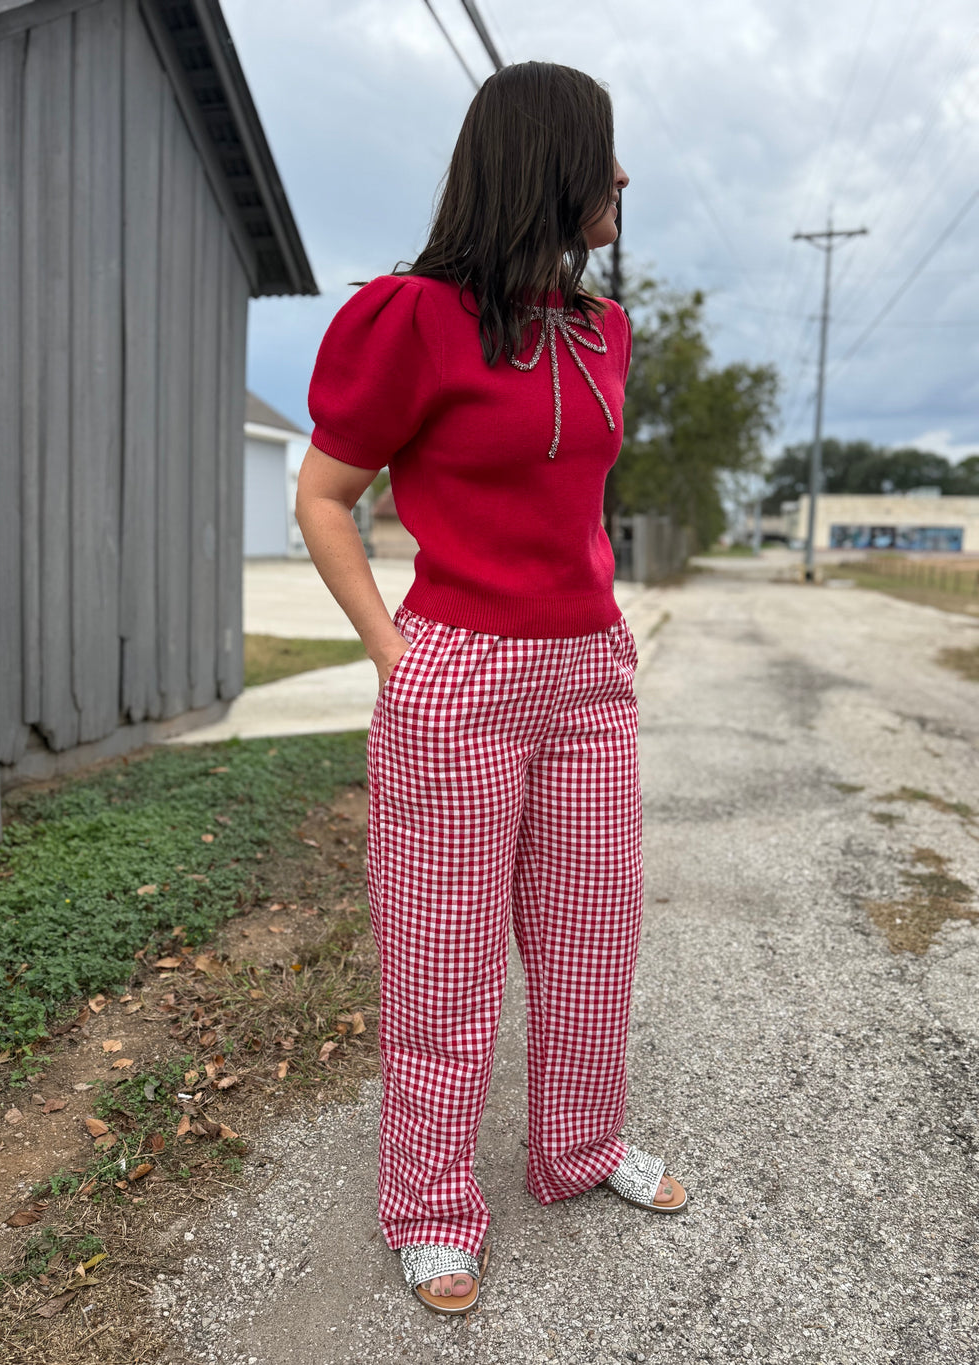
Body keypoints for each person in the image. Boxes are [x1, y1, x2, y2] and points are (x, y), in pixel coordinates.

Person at [296, 60, 687, 1319]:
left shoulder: (602, 331)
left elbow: (567, 503)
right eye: (601, 154)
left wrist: (593, 629)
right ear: (545, 164)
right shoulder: (406, 319)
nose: (621, 177)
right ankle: (428, 1205)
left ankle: (575, 1148)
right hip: (457, 668)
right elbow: (322, 497)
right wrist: (391, 650)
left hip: (587, 667)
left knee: (590, 933)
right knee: (444, 956)